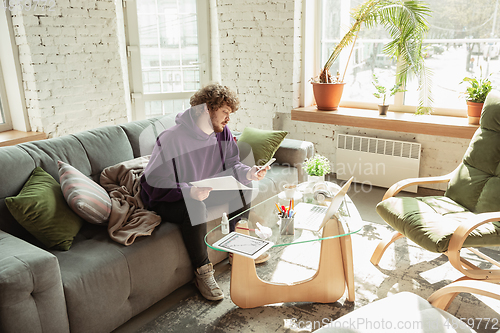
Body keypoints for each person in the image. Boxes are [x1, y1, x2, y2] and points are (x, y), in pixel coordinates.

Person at [140, 83, 270, 301]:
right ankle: (203, 272)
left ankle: (238, 249)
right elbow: (154, 183)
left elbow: (233, 164)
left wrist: (250, 173)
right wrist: (189, 191)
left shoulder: (223, 132)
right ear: (205, 109)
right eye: (225, 112)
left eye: (230, 113)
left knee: (244, 186)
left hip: (203, 188)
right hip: (168, 196)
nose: (228, 119)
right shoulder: (171, 138)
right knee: (194, 205)